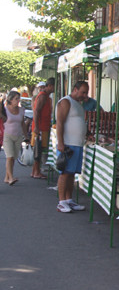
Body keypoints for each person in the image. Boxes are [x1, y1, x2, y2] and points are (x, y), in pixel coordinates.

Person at [55, 81, 89, 213]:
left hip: (77, 144)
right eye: (83, 92)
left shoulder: (79, 105)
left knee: (71, 174)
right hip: (68, 144)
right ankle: (61, 201)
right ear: (75, 89)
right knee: (64, 173)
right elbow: (59, 123)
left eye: (86, 92)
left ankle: (68, 200)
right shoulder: (65, 101)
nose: (85, 95)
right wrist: (61, 142)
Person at [3, 91, 30, 186]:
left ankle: (7, 177)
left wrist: (26, 136)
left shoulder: (21, 110)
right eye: (16, 99)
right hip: (7, 135)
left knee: (13, 158)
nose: (18, 101)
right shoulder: (5, 110)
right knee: (9, 157)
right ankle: (10, 178)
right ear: (10, 100)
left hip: (18, 136)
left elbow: (22, 123)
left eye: (19, 98)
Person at [31, 77, 55, 179]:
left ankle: (34, 171)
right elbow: (36, 111)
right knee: (38, 150)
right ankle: (36, 172)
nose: (55, 88)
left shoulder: (47, 97)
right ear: (49, 86)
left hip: (44, 126)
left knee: (39, 150)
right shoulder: (43, 96)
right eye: (54, 86)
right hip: (40, 127)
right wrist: (37, 127)